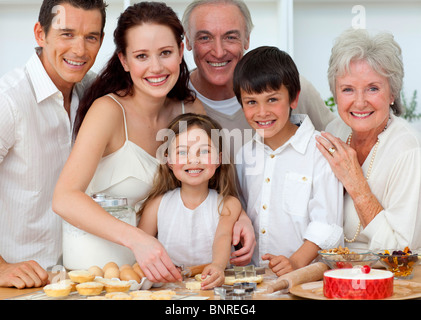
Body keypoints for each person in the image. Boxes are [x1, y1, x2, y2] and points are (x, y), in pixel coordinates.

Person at [53, 2, 205, 284]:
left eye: (166, 53)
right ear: (124, 60)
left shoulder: (190, 110)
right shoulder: (108, 111)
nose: (156, 67)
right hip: (94, 274)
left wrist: (237, 215)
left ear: (181, 51)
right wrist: (137, 239)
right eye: (141, 56)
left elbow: (212, 182)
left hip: (157, 276)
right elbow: (64, 198)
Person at [0, 0, 107, 289]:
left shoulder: (95, 93)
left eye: (91, 37)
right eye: (67, 34)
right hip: (18, 287)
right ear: (40, 34)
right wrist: (0, 268)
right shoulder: (8, 100)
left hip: (80, 282)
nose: (80, 50)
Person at [234, 46, 343, 276]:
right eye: (251, 102)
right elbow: (242, 210)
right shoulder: (244, 155)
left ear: (293, 98)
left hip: (307, 279)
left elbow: (327, 225)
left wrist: (294, 263)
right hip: (257, 280)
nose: (262, 112)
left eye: (272, 99)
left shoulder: (320, 151)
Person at [181, 0, 336, 152]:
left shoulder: (289, 86)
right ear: (188, 41)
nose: (219, 52)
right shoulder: (173, 101)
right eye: (205, 38)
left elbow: (339, 139)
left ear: (247, 40)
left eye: (230, 37)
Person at [316, 28, 421, 251]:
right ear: (335, 93)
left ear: (392, 93)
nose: (360, 102)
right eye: (348, 89)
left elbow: (402, 253)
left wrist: (357, 185)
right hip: (332, 271)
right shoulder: (335, 130)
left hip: (387, 276)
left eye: (372, 88)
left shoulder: (409, 150)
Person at [138, 113, 244, 289]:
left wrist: (217, 265)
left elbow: (223, 236)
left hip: (212, 288)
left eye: (204, 151)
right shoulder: (157, 205)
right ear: (169, 161)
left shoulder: (228, 203)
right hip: (168, 291)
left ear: (219, 158)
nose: (193, 160)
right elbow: (141, 244)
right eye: (181, 152)